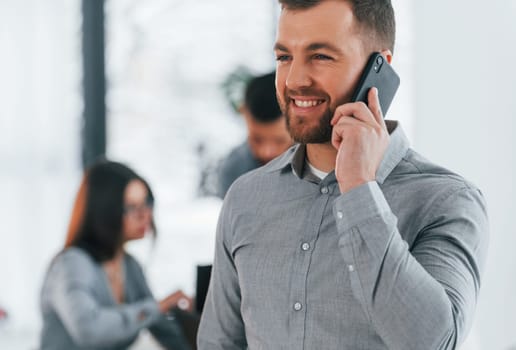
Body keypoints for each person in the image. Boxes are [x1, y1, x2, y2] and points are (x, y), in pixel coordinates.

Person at [197, 1, 489, 349]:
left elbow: (433, 343)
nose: (294, 80)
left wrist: (360, 189)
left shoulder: (446, 201)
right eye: (284, 57)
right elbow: (219, 342)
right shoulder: (246, 197)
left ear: (379, 68)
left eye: (320, 56)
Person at [39, 160, 191, 350]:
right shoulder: (72, 264)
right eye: (132, 207)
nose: (145, 215)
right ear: (104, 211)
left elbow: (162, 328)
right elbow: (90, 330)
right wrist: (157, 307)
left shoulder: (129, 266)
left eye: (147, 204)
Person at [216, 71, 294, 198]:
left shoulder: (325, 163)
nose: (266, 152)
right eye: (257, 139)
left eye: (279, 140)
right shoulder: (233, 170)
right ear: (244, 114)